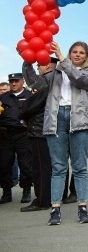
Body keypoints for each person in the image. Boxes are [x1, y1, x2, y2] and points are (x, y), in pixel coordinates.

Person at [22, 40, 88, 225]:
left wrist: (63, 60)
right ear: (70, 54)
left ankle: (82, 207)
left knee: (79, 167)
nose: (78, 54)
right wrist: (27, 61)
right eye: (74, 52)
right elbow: (33, 82)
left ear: (86, 57)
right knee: (58, 167)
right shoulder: (54, 74)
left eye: (81, 53)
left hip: (79, 121)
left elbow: (79, 80)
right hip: (56, 120)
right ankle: (55, 209)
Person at [19, 57, 58, 212]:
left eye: (38, 65)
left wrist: (26, 61)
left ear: (47, 66)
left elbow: (30, 82)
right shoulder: (55, 80)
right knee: (50, 166)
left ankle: (42, 199)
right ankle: (49, 196)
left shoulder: (47, 80)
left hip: (40, 129)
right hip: (48, 128)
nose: (37, 67)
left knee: (40, 167)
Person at [0, 72, 33, 205]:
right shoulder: (3, 97)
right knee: (4, 164)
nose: (14, 83)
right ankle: (6, 192)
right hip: (5, 135)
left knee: (25, 164)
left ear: (22, 81)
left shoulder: (30, 96)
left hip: (23, 135)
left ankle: (26, 190)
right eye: (11, 81)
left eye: (16, 81)